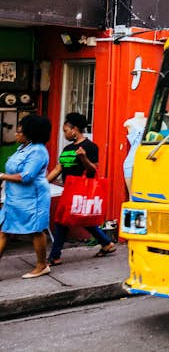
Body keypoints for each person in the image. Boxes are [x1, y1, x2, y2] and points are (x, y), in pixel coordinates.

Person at [46, 113, 115, 264]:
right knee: (82, 218)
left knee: (61, 221)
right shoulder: (67, 148)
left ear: (75, 129)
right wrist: (44, 183)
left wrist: (83, 157)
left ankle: (54, 256)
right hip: (69, 189)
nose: (65, 134)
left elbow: (93, 170)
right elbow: (58, 169)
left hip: (81, 191)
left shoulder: (90, 147)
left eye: (66, 131)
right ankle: (106, 243)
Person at [0, 114, 53, 278]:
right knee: (4, 230)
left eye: (19, 131)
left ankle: (42, 265)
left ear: (30, 133)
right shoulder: (22, 148)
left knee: (36, 231)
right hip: (14, 198)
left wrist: (1, 176)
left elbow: (26, 177)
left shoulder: (38, 151)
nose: (16, 134)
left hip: (33, 198)